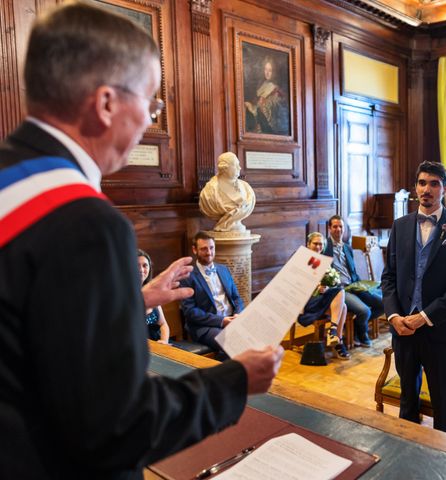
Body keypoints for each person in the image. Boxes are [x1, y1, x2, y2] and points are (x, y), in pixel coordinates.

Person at [0, 3, 282, 477]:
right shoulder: (86, 225)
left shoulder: (10, 179)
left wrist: (129, 300)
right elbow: (116, 427)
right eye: (151, 103)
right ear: (107, 102)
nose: (152, 121)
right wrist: (235, 381)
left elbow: (28, 330)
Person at [380, 161, 446, 433]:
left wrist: (424, 317)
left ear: (445, 188)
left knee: (442, 400)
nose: (427, 189)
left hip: (439, 329)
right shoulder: (400, 226)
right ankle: (408, 453)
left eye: (434, 184)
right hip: (403, 330)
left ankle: (443, 457)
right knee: (407, 397)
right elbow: (389, 277)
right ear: (415, 188)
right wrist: (395, 316)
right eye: (422, 183)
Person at [323, 215, 384, 348]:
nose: (338, 229)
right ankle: (362, 335)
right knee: (364, 311)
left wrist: (362, 285)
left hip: (354, 285)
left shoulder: (347, 248)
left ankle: (356, 327)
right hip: (339, 290)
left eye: (341, 226)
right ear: (329, 229)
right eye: (335, 226)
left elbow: (352, 271)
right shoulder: (324, 247)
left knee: (383, 304)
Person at [180, 231, 244, 357]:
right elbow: (190, 312)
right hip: (205, 327)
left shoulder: (223, 269)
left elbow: (237, 298)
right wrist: (222, 321)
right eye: (204, 249)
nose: (209, 252)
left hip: (232, 319)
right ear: (194, 250)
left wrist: (237, 314)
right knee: (233, 343)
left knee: (257, 335)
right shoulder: (187, 276)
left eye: (211, 248)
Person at [298, 232, 350, 360]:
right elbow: (297, 286)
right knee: (341, 298)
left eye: (321, 244)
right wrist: (315, 288)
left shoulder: (324, 262)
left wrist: (326, 287)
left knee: (342, 304)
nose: (318, 246)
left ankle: (335, 337)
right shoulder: (301, 260)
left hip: (320, 299)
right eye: (315, 243)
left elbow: (330, 283)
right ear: (308, 244)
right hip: (306, 303)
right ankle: (336, 337)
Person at [199, 151, 256, 233]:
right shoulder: (210, 191)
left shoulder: (246, 188)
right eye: (236, 165)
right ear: (224, 167)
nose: (239, 168)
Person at [244, 56, 290, 135]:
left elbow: (265, 111)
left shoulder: (275, 90)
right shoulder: (263, 85)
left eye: (270, 70)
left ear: (274, 72)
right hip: (260, 125)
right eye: (265, 69)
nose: (267, 73)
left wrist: (252, 108)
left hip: (267, 129)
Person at [138, 249, 170, 343]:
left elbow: (163, 324)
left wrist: (164, 341)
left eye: (145, 265)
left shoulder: (152, 291)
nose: (141, 270)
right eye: (137, 265)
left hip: (159, 344)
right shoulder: (124, 295)